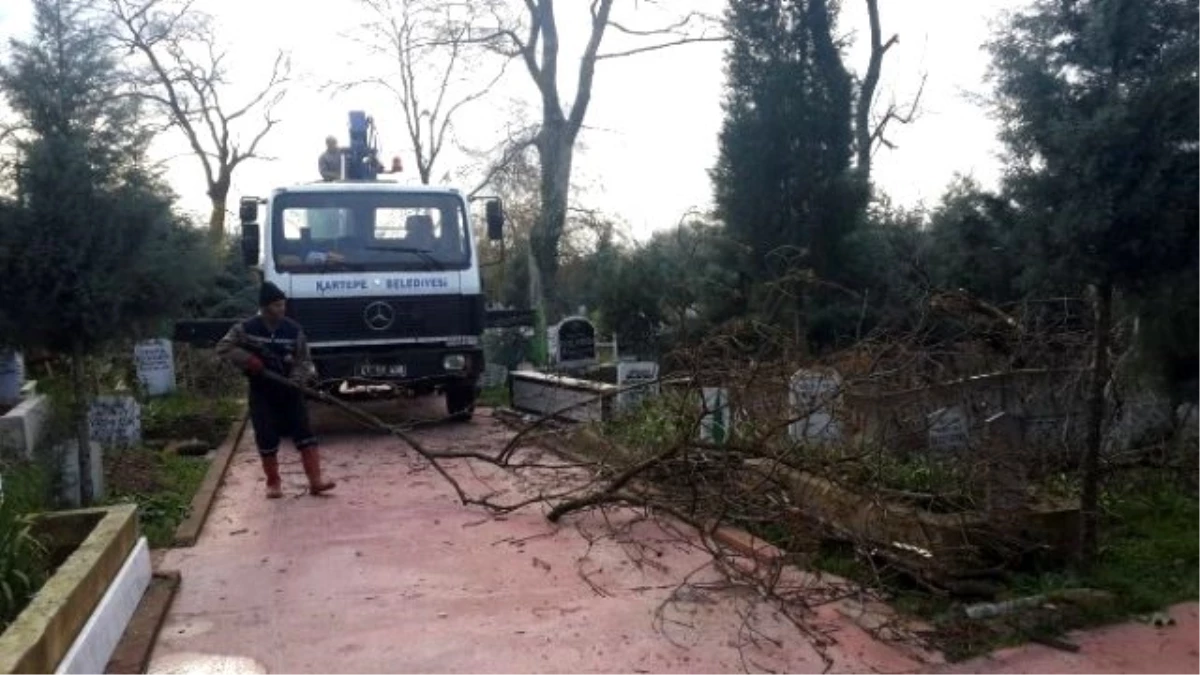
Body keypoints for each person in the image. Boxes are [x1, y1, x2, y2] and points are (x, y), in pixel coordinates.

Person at [216, 282, 336, 499]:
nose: (282, 309)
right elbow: (224, 347)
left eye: (283, 305)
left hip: (290, 391)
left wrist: (298, 379)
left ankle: (316, 481)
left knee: (305, 434)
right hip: (261, 391)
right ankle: (273, 483)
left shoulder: (293, 330)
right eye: (277, 305)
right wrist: (249, 360)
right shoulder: (245, 329)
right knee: (266, 436)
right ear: (264, 307)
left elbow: (305, 361)